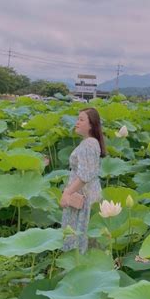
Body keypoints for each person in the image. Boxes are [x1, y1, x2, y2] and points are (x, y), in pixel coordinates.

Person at [60, 107, 106, 254]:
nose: (77, 123)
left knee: (80, 231)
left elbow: (84, 176)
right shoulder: (90, 142)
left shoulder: (89, 144)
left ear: (91, 125)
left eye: (81, 119)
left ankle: (78, 263)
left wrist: (67, 193)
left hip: (83, 195)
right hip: (89, 192)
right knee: (85, 232)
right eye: (77, 119)